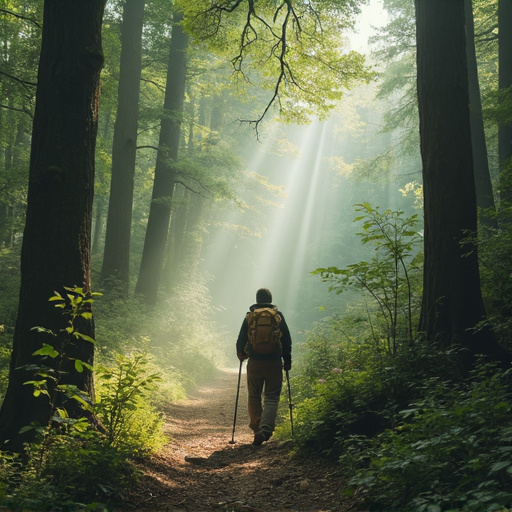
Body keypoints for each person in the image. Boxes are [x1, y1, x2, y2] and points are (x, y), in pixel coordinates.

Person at [236, 288, 292, 446]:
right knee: (272, 397)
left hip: (254, 362)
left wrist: (241, 355)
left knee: (254, 396)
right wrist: (287, 362)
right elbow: (287, 340)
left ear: (257, 299)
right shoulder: (277, 316)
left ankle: (257, 429)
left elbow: (240, 340)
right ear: (270, 299)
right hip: (274, 362)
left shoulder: (250, 317)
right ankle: (266, 430)